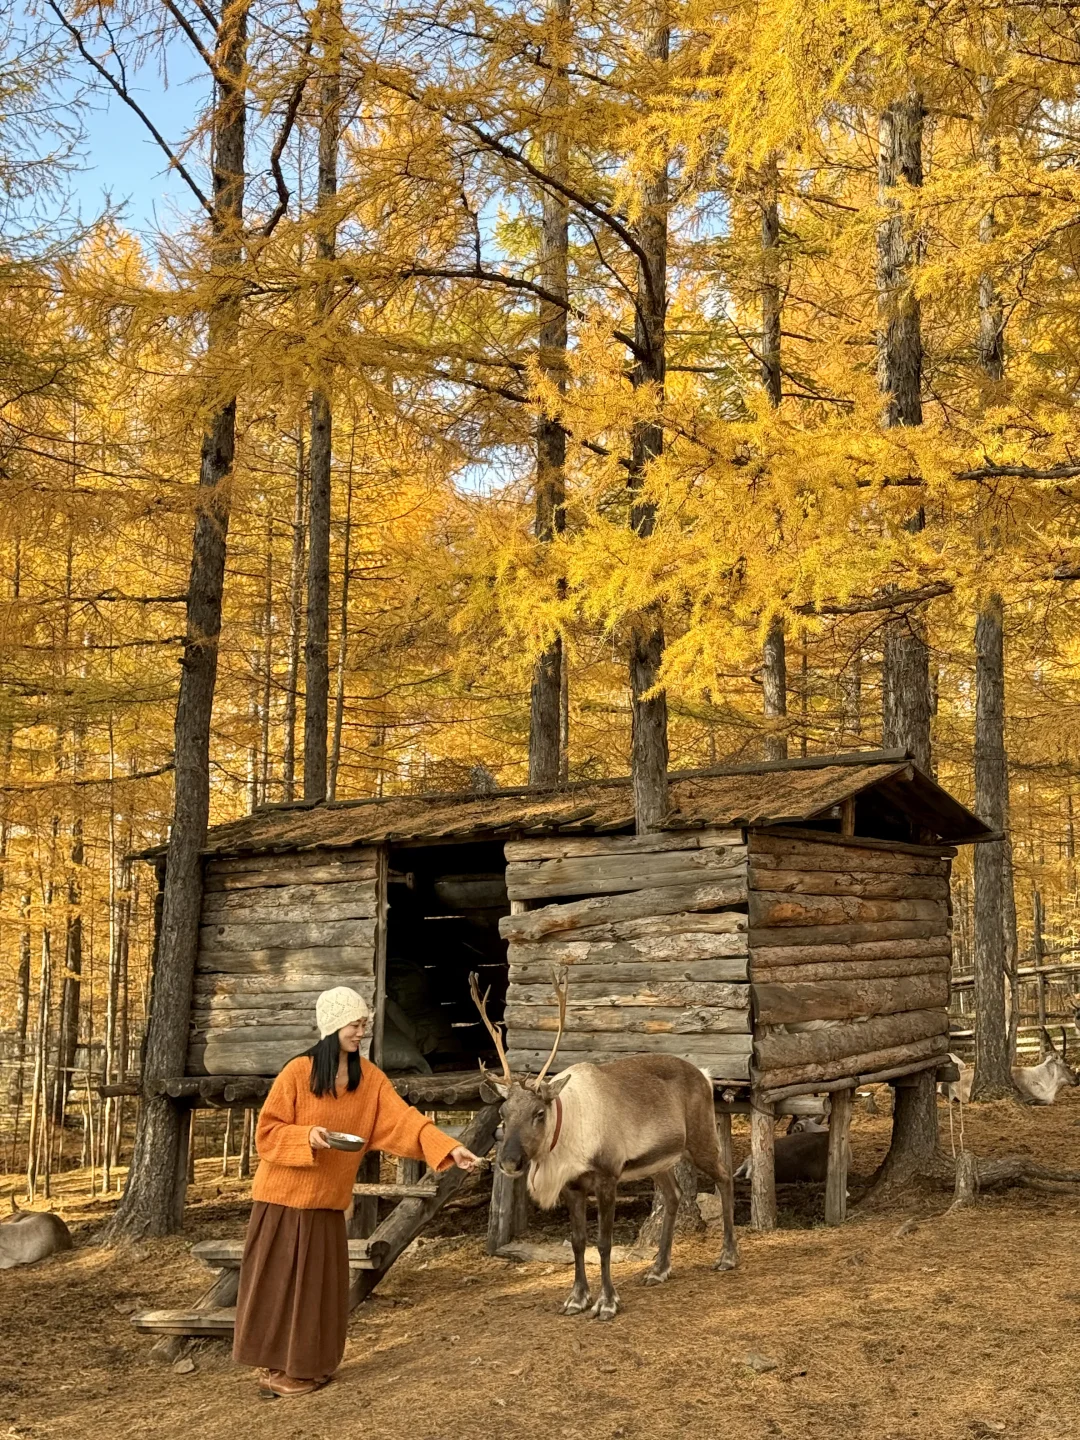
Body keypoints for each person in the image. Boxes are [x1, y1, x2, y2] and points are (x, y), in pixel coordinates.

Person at [232, 985, 480, 1397]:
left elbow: (405, 1121)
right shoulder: (297, 1073)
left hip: (328, 1202)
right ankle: (277, 1365)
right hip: (282, 1199)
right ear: (333, 1025)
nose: (361, 1032)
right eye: (354, 1024)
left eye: (364, 1024)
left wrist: (449, 1148)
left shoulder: (369, 1081)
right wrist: (307, 1135)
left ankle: (308, 1367)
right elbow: (268, 1134)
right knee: (277, 1288)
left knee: (319, 1294)